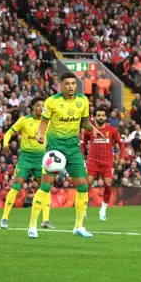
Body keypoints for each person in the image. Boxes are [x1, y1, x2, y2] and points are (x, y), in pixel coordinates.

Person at [28, 72, 105, 239]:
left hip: (73, 148)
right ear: (61, 85)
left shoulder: (82, 101)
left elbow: (85, 123)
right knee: (46, 186)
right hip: (55, 148)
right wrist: (40, 134)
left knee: (83, 186)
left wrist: (94, 130)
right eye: (67, 84)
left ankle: (78, 226)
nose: (71, 87)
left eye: (73, 83)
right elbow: (43, 123)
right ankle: (33, 225)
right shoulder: (52, 102)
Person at [0, 97, 54, 230]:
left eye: (43, 106)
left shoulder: (47, 122)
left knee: (45, 187)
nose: (41, 108)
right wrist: (5, 144)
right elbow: (8, 133)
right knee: (17, 185)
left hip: (40, 158)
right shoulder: (24, 120)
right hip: (25, 157)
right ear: (33, 107)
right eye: (38, 105)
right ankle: (4, 218)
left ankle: (45, 220)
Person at [81, 106, 125, 221]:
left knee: (108, 184)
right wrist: (82, 156)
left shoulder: (112, 130)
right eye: (98, 115)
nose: (101, 117)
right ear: (95, 117)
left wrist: (121, 157)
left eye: (103, 115)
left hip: (107, 161)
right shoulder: (89, 130)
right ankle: (83, 207)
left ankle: (103, 209)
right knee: (87, 184)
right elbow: (82, 144)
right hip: (93, 161)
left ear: (106, 117)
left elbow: (121, 144)